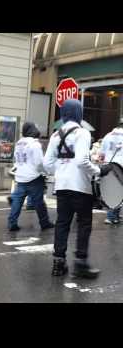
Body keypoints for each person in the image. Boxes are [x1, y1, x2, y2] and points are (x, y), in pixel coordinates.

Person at [44, 99, 112, 278]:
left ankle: (58, 264)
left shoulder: (55, 135)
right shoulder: (82, 133)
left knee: (62, 223)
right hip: (80, 186)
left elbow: (47, 164)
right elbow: (82, 161)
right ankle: (81, 264)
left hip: (61, 185)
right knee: (83, 223)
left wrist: (61, 170)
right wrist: (98, 171)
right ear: (78, 113)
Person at [7, 122, 54, 232]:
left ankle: (12, 223)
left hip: (20, 177)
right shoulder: (35, 144)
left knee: (17, 202)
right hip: (33, 177)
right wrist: (46, 172)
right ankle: (44, 222)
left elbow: (16, 159)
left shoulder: (19, 143)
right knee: (39, 202)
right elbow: (39, 163)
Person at [99, 118, 123, 224]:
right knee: (119, 191)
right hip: (121, 166)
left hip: (108, 166)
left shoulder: (107, 136)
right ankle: (111, 216)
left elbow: (101, 154)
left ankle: (114, 215)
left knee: (112, 190)